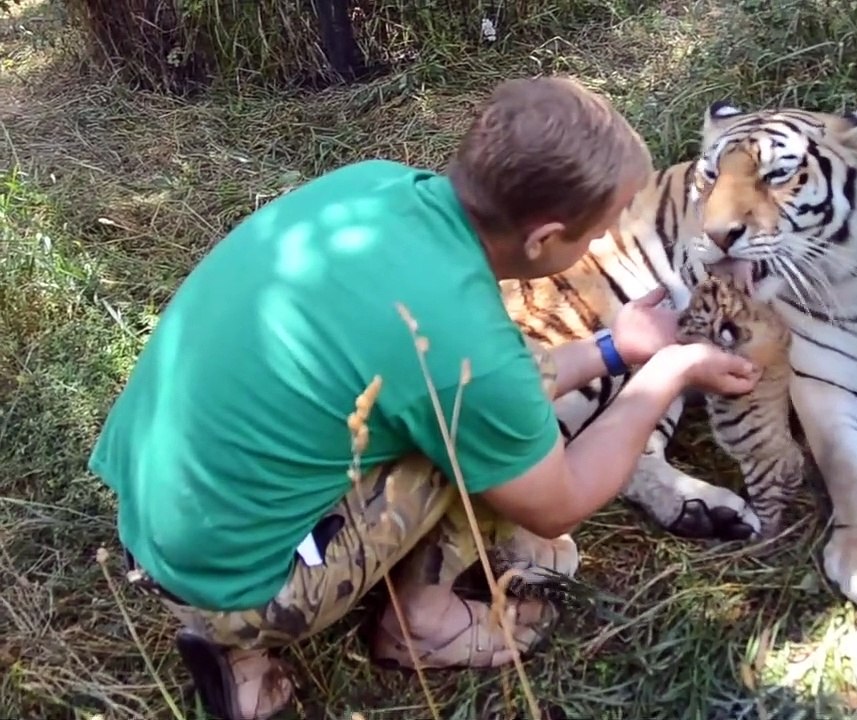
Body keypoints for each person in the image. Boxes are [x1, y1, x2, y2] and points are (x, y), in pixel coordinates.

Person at [87, 76, 761, 720]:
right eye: (597, 230)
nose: (604, 242)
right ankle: (421, 624)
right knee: (498, 451)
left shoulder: (374, 185)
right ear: (545, 240)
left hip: (154, 520)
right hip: (240, 583)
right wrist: (664, 376)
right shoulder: (467, 351)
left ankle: (233, 643)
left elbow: (470, 365)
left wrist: (613, 350)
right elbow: (560, 499)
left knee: (470, 408)